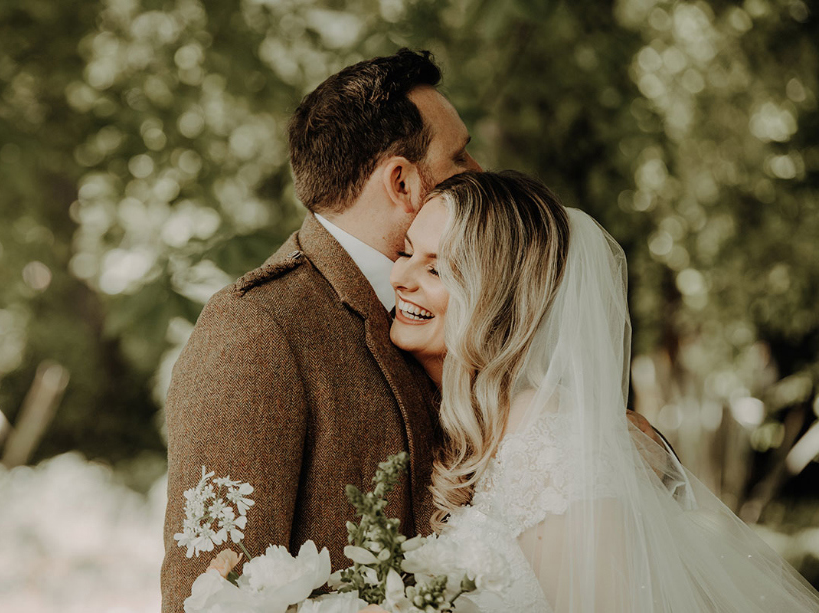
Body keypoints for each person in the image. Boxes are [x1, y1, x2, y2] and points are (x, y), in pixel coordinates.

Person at [389, 170, 819, 611]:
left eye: (436, 268)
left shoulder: (545, 431)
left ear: (494, 298)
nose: (400, 276)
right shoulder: (491, 421)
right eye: (405, 252)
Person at [160, 49, 482, 613]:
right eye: (459, 156)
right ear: (403, 182)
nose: (479, 171)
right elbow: (210, 593)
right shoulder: (257, 330)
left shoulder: (474, 308)